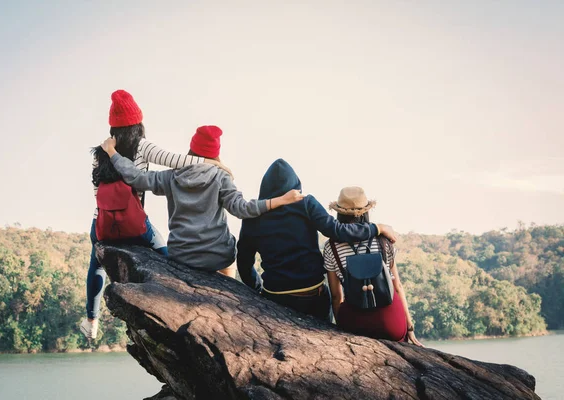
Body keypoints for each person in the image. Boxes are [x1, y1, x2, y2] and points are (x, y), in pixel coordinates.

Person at [81, 90, 229, 340]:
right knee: (167, 256)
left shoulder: (100, 153)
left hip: (104, 225)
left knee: (97, 263)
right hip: (136, 226)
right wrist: (214, 164)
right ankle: (188, 301)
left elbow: (98, 193)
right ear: (138, 124)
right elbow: (179, 160)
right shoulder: (142, 147)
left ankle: (91, 320)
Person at [100, 125, 305, 276]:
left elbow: (136, 177)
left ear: (191, 150)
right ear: (215, 153)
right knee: (231, 246)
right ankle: (232, 292)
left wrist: (113, 153)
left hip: (182, 256)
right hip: (218, 256)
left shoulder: (172, 177)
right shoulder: (220, 177)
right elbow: (242, 209)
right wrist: (279, 200)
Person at [236, 159, 397, 322]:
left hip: (275, 295)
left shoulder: (253, 217)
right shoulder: (305, 203)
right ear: (295, 185)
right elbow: (337, 231)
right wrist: (377, 228)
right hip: (313, 295)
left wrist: (257, 290)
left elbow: (243, 262)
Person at [323, 186, 423, 346]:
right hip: (391, 322)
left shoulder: (331, 247)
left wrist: (342, 327)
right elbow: (397, 286)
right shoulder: (384, 239)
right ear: (365, 212)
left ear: (339, 213)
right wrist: (409, 327)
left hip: (356, 321)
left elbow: (336, 296)